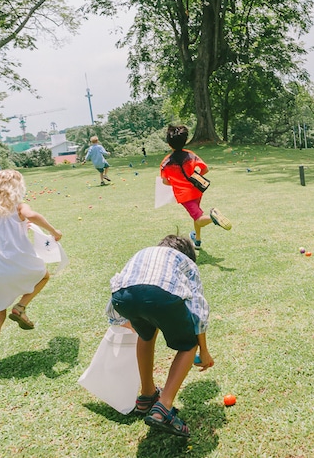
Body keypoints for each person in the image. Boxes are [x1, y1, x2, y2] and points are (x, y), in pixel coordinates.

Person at [105, 234, 214, 437]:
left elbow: (119, 293)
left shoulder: (144, 254)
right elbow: (198, 309)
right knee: (188, 344)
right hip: (159, 295)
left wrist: (120, 319)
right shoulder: (187, 263)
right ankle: (163, 407)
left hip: (122, 297)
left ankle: (147, 395)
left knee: (145, 334)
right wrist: (204, 351)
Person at [0, 169, 63, 378]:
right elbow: (31, 215)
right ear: (16, 188)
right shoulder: (20, 207)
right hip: (20, 265)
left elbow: (8, 227)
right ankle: (21, 307)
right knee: (44, 275)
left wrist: (23, 225)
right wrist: (54, 232)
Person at [160, 125, 231, 250]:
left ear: (169, 144)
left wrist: (176, 183)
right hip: (197, 190)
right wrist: (195, 177)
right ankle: (197, 240)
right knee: (196, 215)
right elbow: (205, 169)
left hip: (184, 195)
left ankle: (213, 218)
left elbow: (165, 182)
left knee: (198, 218)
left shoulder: (166, 163)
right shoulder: (190, 155)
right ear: (185, 141)